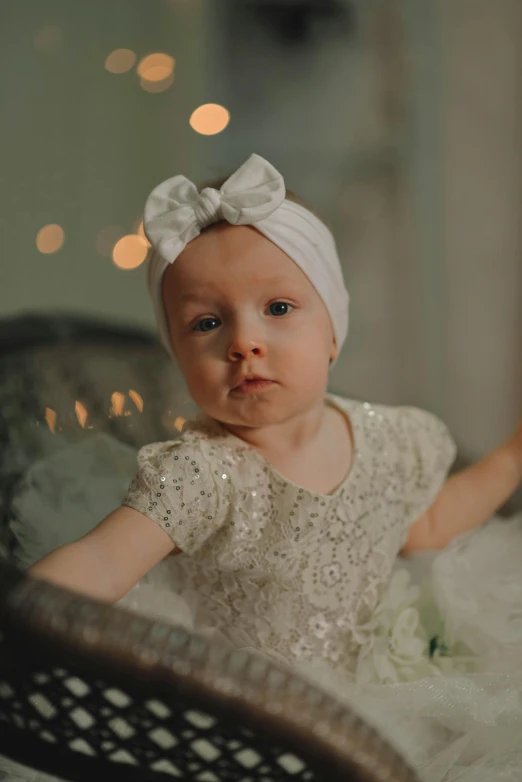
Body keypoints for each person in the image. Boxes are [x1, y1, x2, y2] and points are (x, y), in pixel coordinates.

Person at [28, 153, 522, 780]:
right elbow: (104, 559)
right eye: (207, 323)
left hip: (376, 695)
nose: (244, 342)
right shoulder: (203, 474)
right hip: (248, 717)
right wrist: (22, 613)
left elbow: (421, 526)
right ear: (178, 357)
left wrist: (512, 457)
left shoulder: (392, 437)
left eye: (279, 308)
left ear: (332, 332)